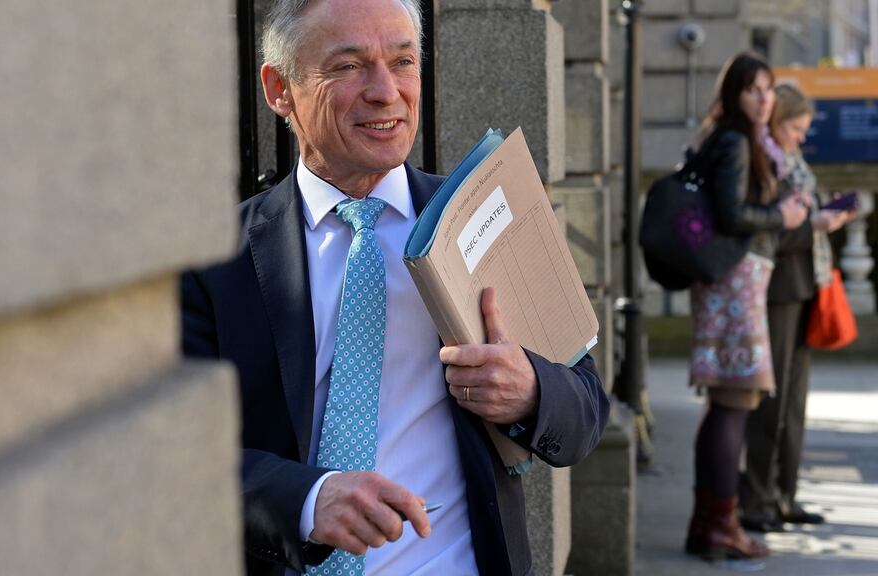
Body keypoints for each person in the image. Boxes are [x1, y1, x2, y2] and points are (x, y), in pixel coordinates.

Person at [179, 1, 610, 575]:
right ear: (279, 89)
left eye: (403, 61)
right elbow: (176, 454)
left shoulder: (483, 219)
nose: (386, 91)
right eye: (349, 66)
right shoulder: (214, 258)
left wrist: (530, 392)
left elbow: (586, 411)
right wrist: (308, 500)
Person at [682, 52, 809, 561]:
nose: (764, 99)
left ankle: (710, 523)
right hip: (735, 286)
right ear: (735, 93)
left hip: (736, 284)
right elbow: (732, 214)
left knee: (727, 407)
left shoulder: (736, 139)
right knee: (733, 403)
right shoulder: (735, 141)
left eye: (769, 89)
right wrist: (781, 214)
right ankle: (721, 526)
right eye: (754, 89)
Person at [738, 83, 853, 533]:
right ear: (774, 121)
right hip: (777, 288)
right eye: (794, 127)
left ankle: (785, 496)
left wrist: (830, 218)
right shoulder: (763, 163)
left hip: (806, 285)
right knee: (771, 401)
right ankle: (757, 501)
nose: (800, 137)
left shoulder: (793, 161)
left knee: (795, 403)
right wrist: (814, 225)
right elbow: (765, 231)